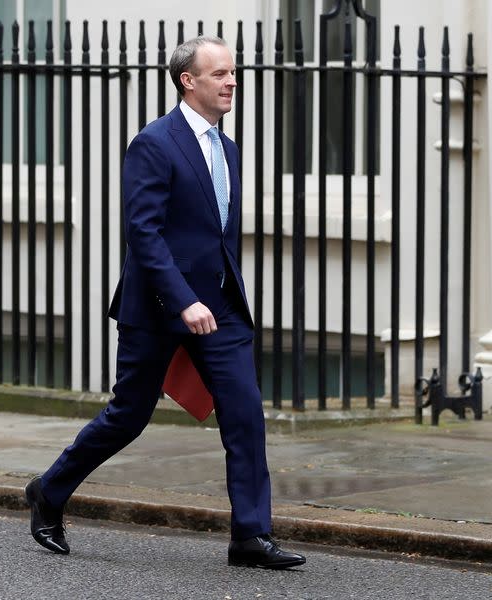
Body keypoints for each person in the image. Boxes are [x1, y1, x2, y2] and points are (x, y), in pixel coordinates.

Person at [25, 35, 305, 570]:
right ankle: (49, 490)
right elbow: (143, 232)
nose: (232, 81)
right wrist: (182, 301)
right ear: (188, 81)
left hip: (219, 308)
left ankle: (250, 534)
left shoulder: (228, 149)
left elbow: (218, 235)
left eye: (233, 72)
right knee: (128, 415)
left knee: (245, 414)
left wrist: (217, 295)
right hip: (159, 307)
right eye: (220, 74)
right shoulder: (154, 143)